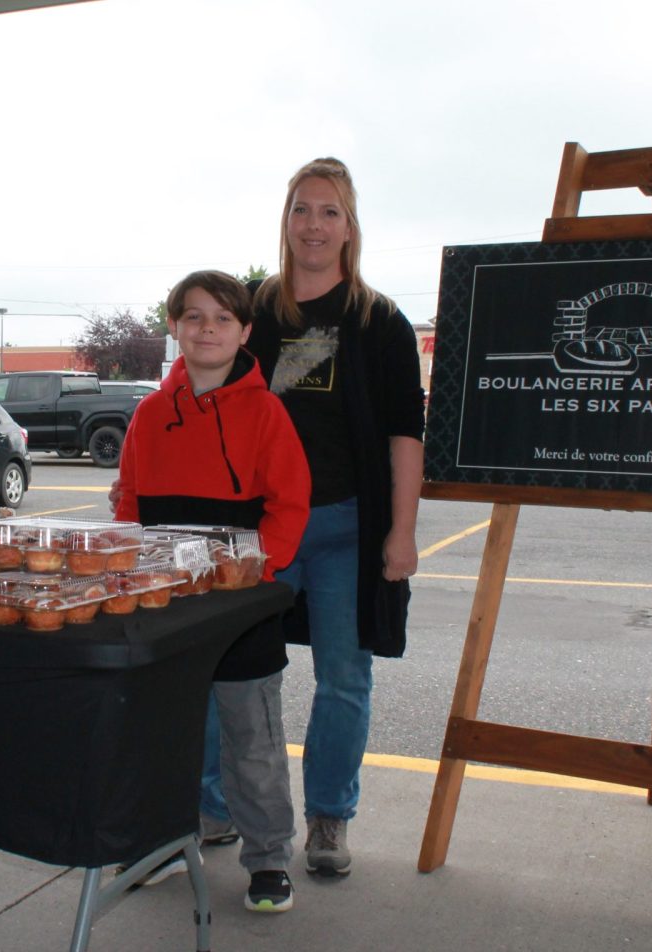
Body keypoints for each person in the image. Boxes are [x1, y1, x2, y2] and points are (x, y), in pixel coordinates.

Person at [235, 156, 426, 879]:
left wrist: (401, 532)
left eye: (330, 211)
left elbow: (405, 434)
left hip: (348, 526)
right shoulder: (253, 314)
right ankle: (225, 808)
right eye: (302, 210)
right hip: (262, 532)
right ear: (285, 221)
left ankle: (327, 820)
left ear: (350, 228)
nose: (314, 225)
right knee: (239, 674)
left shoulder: (378, 322)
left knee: (344, 679)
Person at [112, 269, 311, 913]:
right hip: (166, 605)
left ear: (246, 332)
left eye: (223, 319)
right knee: (167, 735)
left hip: (239, 606)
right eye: (194, 317)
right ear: (174, 327)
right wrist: (133, 569)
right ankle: (167, 845)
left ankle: (269, 859)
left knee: (251, 739)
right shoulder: (148, 413)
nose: (207, 329)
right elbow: (131, 503)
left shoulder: (266, 410)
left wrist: (257, 573)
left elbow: (289, 504)